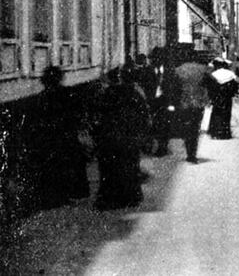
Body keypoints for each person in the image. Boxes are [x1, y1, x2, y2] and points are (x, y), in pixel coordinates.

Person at [22, 65, 90, 210]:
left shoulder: (40, 98)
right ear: (60, 79)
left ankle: (53, 197)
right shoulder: (68, 94)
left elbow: (35, 123)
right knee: (68, 166)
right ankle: (68, 195)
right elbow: (77, 115)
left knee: (51, 168)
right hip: (66, 138)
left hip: (49, 140)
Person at [92, 64, 151, 210]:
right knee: (129, 166)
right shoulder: (136, 94)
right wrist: (143, 136)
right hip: (129, 138)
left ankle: (108, 199)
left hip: (109, 137)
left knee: (109, 169)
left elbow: (98, 115)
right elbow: (144, 117)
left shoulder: (107, 93)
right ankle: (130, 197)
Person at [173, 51, 212, 163]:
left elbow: (175, 88)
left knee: (186, 127)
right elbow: (209, 84)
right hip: (198, 103)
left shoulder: (179, 70)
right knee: (195, 128)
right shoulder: (203, 69)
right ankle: (192, 154)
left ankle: (188, 151)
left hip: (184, 103)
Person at [208, 58, 239, 138]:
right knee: (227, 114)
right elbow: (235, 85)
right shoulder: (230, 74)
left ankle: (216, 132)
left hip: (217, 97)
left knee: (217, 113)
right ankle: (226, 133)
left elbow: (210, 87)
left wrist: (211, 97)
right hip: (227, 97)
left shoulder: (214, 74)